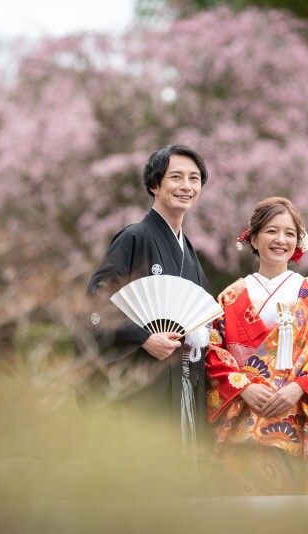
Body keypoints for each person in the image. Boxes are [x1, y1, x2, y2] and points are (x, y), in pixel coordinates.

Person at [205, 197, 308, 496]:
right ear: (253, 238)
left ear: (298, 242)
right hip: (243, 424)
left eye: (290, 233)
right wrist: (243, 387)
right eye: (272, 231)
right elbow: (212, 352)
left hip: (297, 425)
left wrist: (299, 388)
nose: (281, 240)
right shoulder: (231, 297)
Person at [76, 144, 211, 447]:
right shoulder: (134, 237)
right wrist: (143, 337)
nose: (186, 186)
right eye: (176, 177)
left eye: (194, 178)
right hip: (142, 387)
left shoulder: (188, 251)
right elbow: (95, 307)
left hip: (180, 385)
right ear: (154, 184)